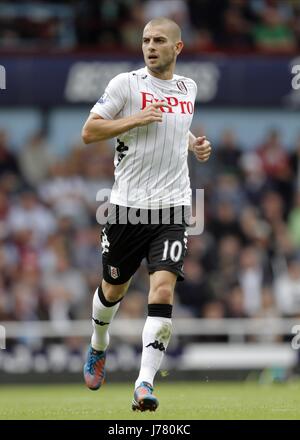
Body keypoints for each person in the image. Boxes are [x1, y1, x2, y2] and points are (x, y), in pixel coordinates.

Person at [81, 17, 212, 412]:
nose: (150, 46)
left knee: (163, 290)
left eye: (158, 40)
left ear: (178, 48)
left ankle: (144, 384)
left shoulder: (189, 88)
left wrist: (193, 145)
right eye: (145, 40)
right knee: (112, 290)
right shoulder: (125, 84)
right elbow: (90, 131)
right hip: (125, 210)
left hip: (172, 208)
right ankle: (97, 345)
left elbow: (176, 125)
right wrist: (136, 118)